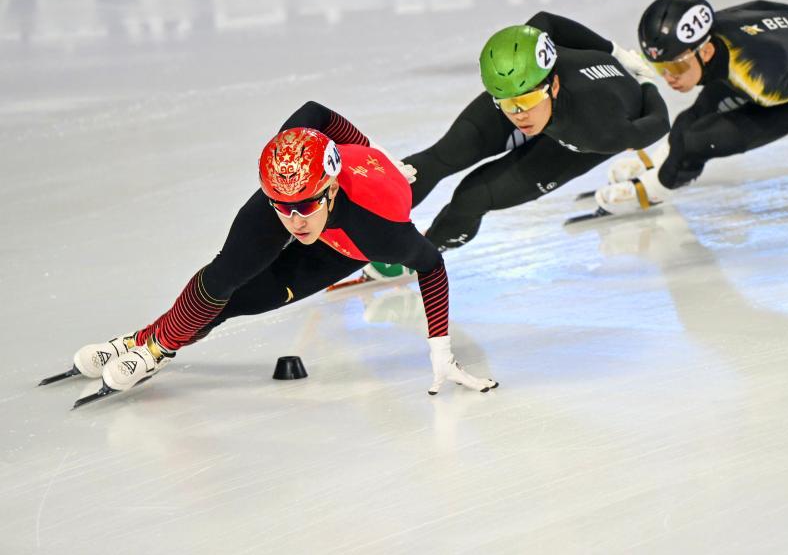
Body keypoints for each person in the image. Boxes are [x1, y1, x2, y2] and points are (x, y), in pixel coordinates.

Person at [49, 102, 497, 404]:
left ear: (331, 188)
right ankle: (148, 346)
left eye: (305, 206)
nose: (295, 220)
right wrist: (368, 150)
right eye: (284, 207)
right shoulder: (289, 173)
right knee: (223, 276)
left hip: (344, 241)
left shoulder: (377, 229)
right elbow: (315, 113)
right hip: (308, 191)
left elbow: (431, 265)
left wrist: (440, 349)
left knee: (245, 300)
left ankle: (151, 344)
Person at [401, 12, 670, 250]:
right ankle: (375, 218)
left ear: (554, 85)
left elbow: (659, 122)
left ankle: (421, 256)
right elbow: (546, 21)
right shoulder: (526, 62)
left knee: (473, 197)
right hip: (551, 97)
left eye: (526, 101)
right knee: (447, 153)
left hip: (579, 130)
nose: (520, 115)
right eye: (507, 103)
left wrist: (647, 84)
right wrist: (615, 50)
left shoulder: (599, 132)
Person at [594, 0, 788, 213]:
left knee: (697, 142)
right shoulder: (717, 27)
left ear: (706, 51)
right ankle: (660, 163)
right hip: (771, 60)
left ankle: (654, 190)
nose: (668, 78)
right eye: (660, 67)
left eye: (676, 67)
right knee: (690, 118)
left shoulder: (762, 84)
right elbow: (761, 5)